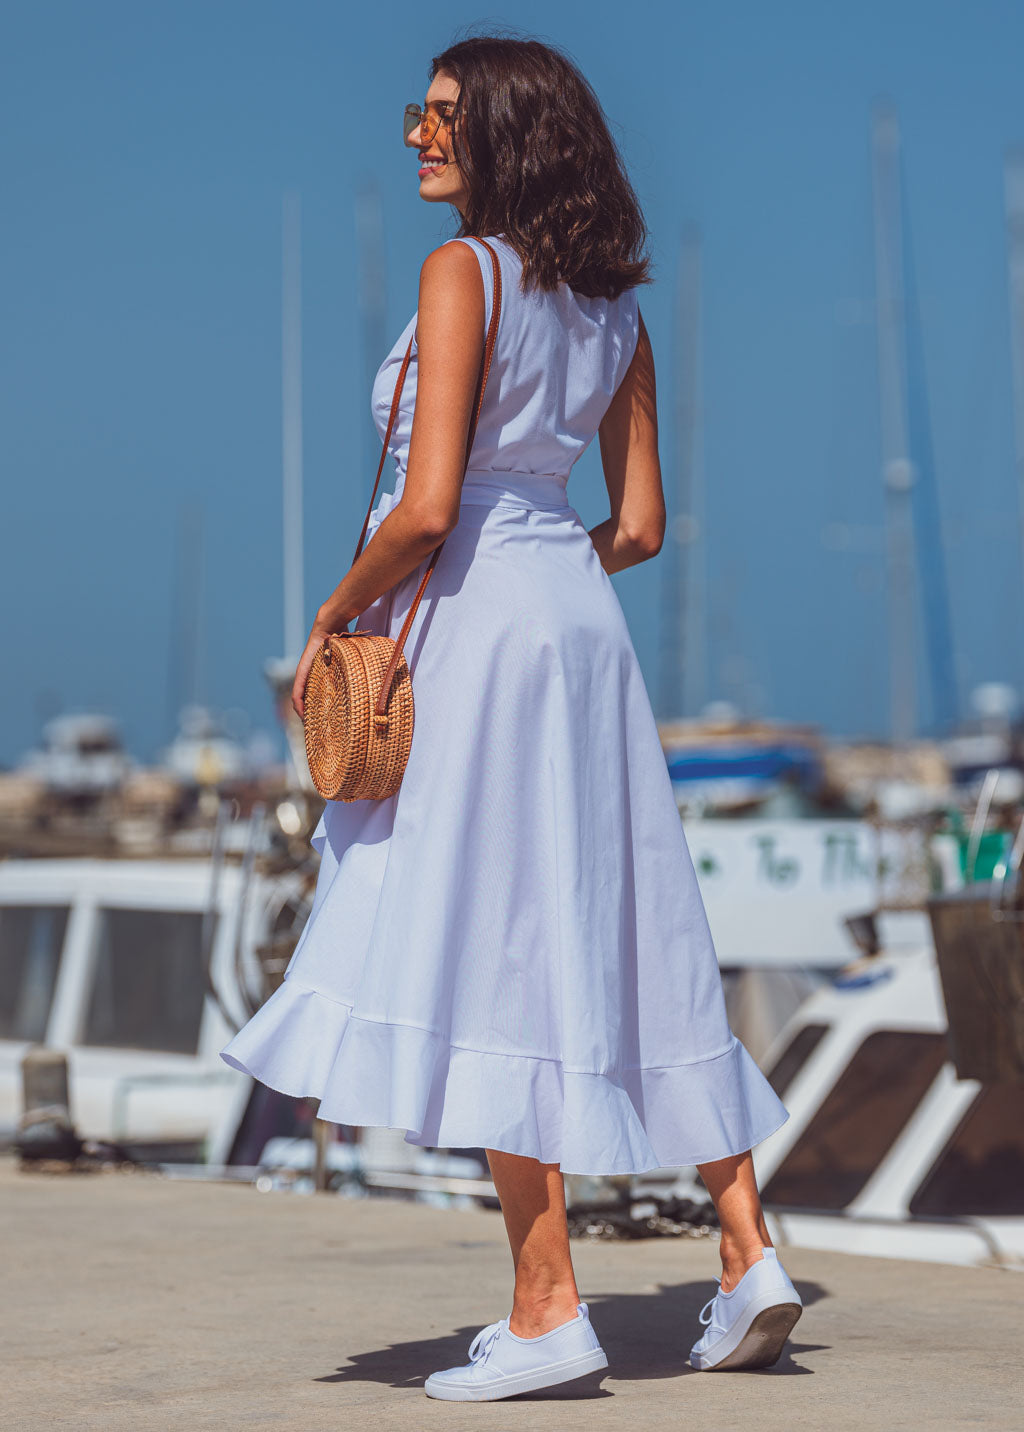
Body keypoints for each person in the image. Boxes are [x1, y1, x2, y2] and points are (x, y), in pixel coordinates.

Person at [220, 32, 802, 1402]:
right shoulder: (617, 309)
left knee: (488, 943)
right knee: (635, 923)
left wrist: (327, 620)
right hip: (577, 630)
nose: (418, 135)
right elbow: (644, 526)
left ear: (506, 132)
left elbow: (425, 510)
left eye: (442, 117)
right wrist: (551, 571)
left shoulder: (460, 272)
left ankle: (549, 1310)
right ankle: (749, 1253)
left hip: (474, 619)